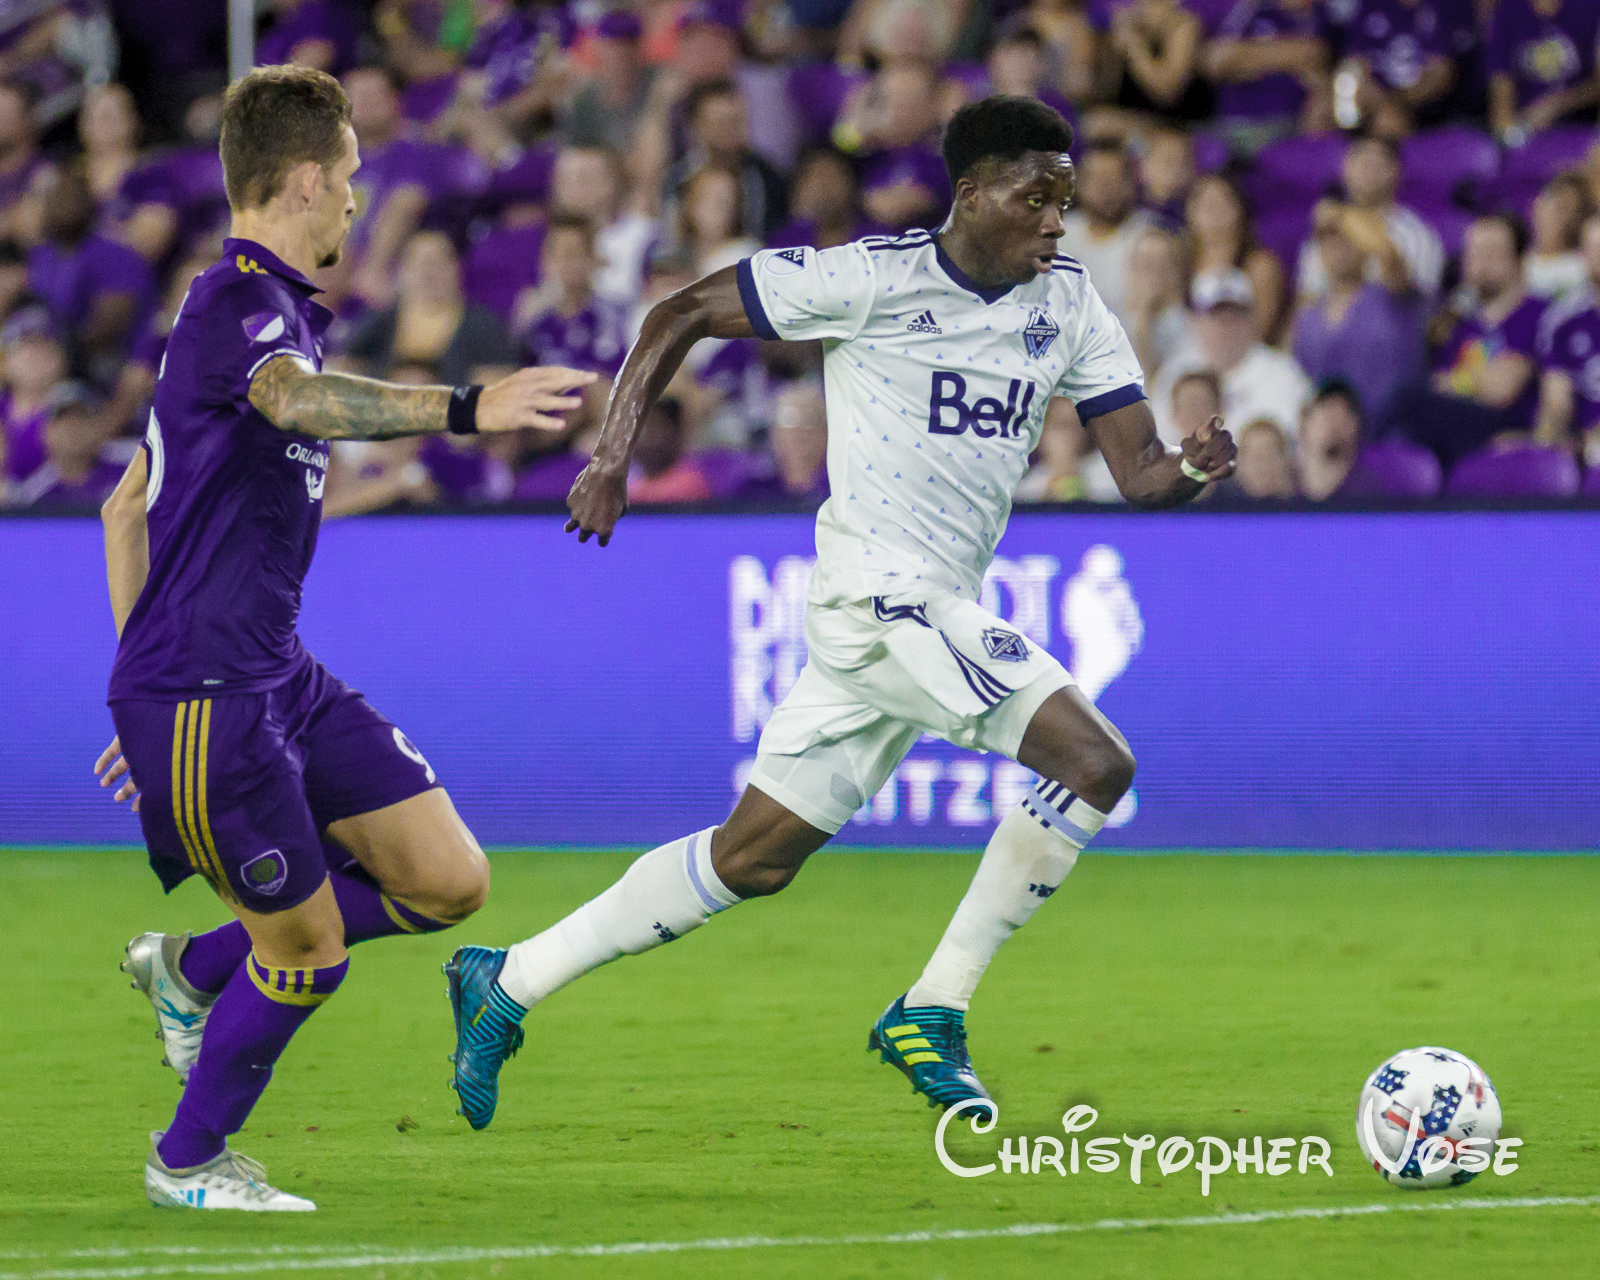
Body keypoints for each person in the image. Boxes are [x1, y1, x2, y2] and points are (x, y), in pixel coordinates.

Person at [441, 96, 1236, 1132]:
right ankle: (932, 1007)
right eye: (1034, 198)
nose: (1055, 221)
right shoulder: (868, 278)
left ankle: (508, 977)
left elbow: (1136, 471)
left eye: (1065, 201)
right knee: (1096, 762)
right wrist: (609, 454)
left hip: (926, 608)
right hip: (878, 592)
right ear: (970, 195)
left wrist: (1190, 469)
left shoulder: (1071, 306)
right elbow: (676, 311)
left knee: (753, 855)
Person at [90, 65, 596, 1212]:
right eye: (353, 179)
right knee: (307, 953)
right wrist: (469, 405)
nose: (359, 201)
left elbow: (128, 505)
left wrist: (138, 676)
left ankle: (191, 967)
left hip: (272, 676)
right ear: (308, 178)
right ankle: (189, 1160)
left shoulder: (244, 316)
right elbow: (299, 404)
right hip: (209, 693)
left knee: (447, 880)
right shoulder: (238, 309)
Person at [1381, 214, 1546, 462]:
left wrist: (1458, 382)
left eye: (1491, 252)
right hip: (1455, 430)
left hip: (1508, 430)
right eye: (1473, 253)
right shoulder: (1460, 324)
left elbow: (1502, 389)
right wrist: (1475, 381)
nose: (1478, 262)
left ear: (1518, 260)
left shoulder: (1536, 314)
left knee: (1407, 402)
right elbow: (1438, 383)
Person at [1291, 199, 1427, 423]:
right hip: (1336, 436)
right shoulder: (1308, 316)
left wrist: (1341, 214)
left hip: (1398, 427)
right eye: (1328, 241)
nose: (1337, 248)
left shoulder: (1391, 294)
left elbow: (1387, 254)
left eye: (1347, 240)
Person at [1153, 268, 1311, 442]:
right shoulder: (1173, 373)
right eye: (1215, 316)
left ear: (1252, 318)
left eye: (1234, 316)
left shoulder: (1282, 375)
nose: (1225, 327)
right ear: (1194, 321)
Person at [341, 230, 517, 386]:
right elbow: (342, 367)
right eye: (419, 263)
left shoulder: (481, 323)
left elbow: (498, 384)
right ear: (403, 271)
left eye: (437, 262)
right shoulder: (382, 318)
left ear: (456, 268)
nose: (428, 272)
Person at [1296, 133, 1444, 302]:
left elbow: (1418, 309)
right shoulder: (1328, 227)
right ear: (1345, 167)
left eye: (1379, 161)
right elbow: (1308, 301)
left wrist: (1348, 219)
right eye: (1360, 158)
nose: (1368, 167)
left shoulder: (1418, 235)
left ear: (1396, 171)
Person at [1055, 138, 1153, 328]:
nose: (1105, 188)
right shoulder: (1058, 234)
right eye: (1096, 178)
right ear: (1078, 185)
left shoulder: (1150, 235)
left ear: (1131, 183)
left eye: (1114, 178)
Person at [1184, 172, 1283, 340]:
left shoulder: (1260, 265)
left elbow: (1261, 331)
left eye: (1222, 203)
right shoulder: (1182, 264)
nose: (1214, 212)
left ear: (1239, 208)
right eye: (1206, 204)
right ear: (1190, 212)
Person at [1487, 0, 1600, 141]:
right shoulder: (1508, 9)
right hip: (1528, 134)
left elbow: (1597, 85)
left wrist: (1557, 104)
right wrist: (1508, 136)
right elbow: (1501, 95)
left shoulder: (1590, 6)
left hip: (1582, 133)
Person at [1535, 212, 1600, 446]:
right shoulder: (1562, 321)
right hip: (1584, 448)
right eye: (1593, 248)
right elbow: (1556, 406)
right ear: (1582, 255)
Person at [1525, 170, 1591, 299]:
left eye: (1565, 209)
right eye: (1552, 203)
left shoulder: (1581, 270)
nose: (1554, 214)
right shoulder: (1515, 264)